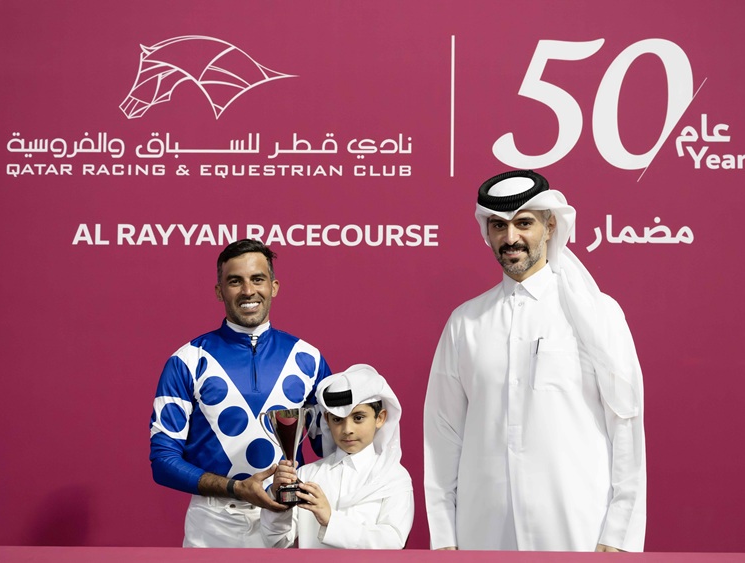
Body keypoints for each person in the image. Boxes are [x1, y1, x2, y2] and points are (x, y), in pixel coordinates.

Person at [423, 170, 646, 552]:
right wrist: (443, 537)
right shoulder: (465, 323)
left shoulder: (597, 313)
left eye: (524, 223)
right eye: (499, 225)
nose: (510, 238)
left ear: (550, 225)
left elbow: (624, 422)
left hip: (578, 527)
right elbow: (443, 434)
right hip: (484, 530)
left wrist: (619, 534)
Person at [149, 239, 332, 547]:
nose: (248, 291)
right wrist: (236, 488)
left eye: (257, 279)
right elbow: (163, 460)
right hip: (213, 526)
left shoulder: (308, 358)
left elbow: (335, 447)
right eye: (235, 281)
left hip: (285, 519)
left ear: (274, 286)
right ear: (219, 291)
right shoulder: (187, 360)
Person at [261, 364, 414, 549]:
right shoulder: (307, 475)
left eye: (358, 418)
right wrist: (277, 498)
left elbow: (393, 542)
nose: (347, 429)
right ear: (327, 420)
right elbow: (277, 542)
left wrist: (331, 520)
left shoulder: (394, 477)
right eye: (337, 419)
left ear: (380, 418)